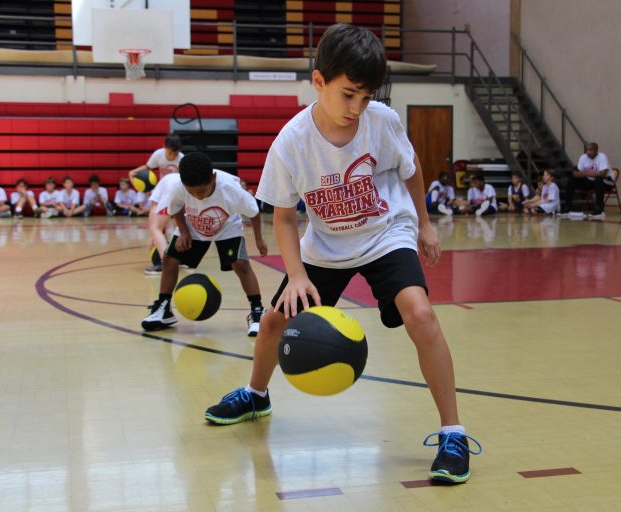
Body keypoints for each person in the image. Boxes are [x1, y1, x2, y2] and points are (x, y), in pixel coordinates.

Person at [203, 24, 480, 484]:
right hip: (326, 244)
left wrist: (425, 225)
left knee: (422, 314)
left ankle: (453, 433)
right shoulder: (291, 142)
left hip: (385, 234)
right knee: (274, 321)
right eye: (348, 94)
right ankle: (256, 395)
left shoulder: (383, 123)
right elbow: (285, 216)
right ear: (319, 81)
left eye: (366, 97)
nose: (357, 108)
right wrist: (295, 276)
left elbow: (411, 173)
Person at [141, 151, 268, 337]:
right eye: (192, 193)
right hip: (194, 225)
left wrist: (258, 239)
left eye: (201, 192)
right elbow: (174, 207)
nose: (198, 197)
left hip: (227, 226)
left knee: (240, 264)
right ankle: (164, 308)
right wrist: (183, 231)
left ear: (213, 178)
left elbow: (254, 212)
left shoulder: (230, 190)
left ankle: (257, 311)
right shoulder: (179, 186)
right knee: (169, 258)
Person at [130, 134, 184, 274]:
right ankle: (180, 258)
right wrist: (135, 172)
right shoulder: (158, 155)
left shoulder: (182, 159)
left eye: (175, 153)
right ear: (164, 147)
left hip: (173, 192)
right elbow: (147, 169)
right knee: (170, 228)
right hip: (165, 191)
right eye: (170, 152)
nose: (172, 155)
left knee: (157, 228)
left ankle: (164, 262)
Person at [565, 142, 612, 219]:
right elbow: (577, 173)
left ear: (596, 151)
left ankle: (599, 209)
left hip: (606, 182)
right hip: (591, 181)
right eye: (587, 150)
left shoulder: (602, 157)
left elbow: (603, 174)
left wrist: (585, 173)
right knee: (572, 180)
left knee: (598, 179)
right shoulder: (583, 157)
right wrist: (579, 173)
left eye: (590, 150)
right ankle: (567, 207)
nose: (588, 152)